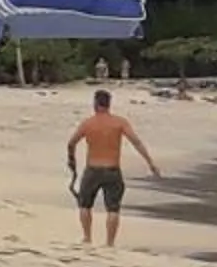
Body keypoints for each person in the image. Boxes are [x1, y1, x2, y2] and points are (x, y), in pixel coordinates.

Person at [66, 88, 161, 246]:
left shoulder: (88, 124)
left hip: (92, 169)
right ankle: (110, 243)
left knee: (85, 204)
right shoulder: (119, 122)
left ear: (95, 104)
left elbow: (72, 143)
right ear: (109, 104)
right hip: (112, 169)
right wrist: (150, 163)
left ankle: (87, 238)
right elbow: (136, 142)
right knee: (113, 208)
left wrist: (72, 160)